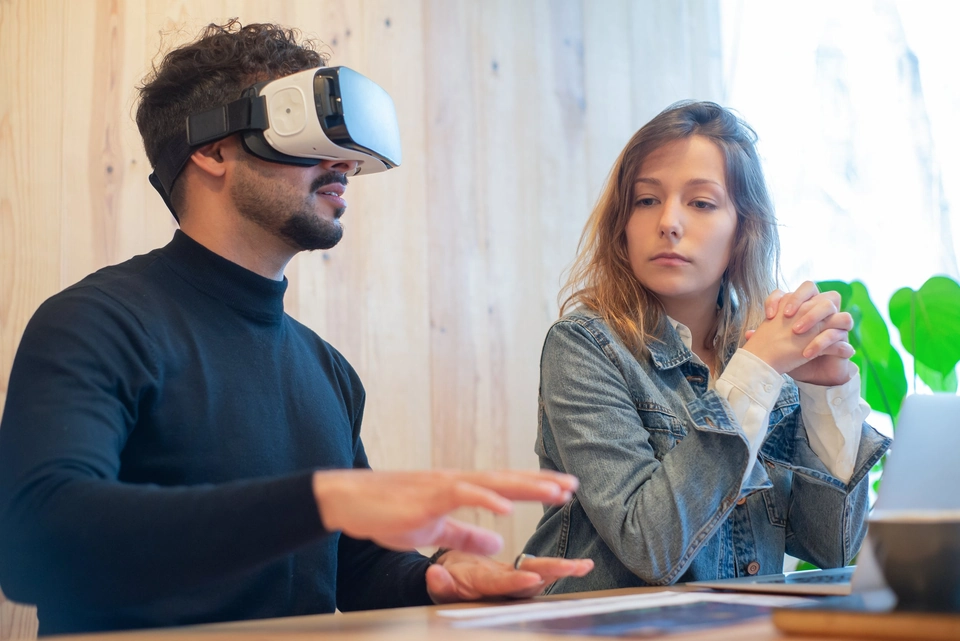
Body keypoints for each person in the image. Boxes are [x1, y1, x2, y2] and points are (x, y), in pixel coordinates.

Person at [0, 20, 592, 635]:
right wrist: (320, 498)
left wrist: (434, 578)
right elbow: (37, 543)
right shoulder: (98, 324)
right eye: (305, 128)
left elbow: (352, 565)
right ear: (213, 149)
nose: (343, 162)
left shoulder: (327, 369)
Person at [521, 100, 891, 593]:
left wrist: (824, 399)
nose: (669, 222)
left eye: (700, 202)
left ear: (743, 230)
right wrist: (756, 371)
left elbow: (833, 548)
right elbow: (650, 547)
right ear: (623, 225)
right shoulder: (585, 346)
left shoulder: (764, 355)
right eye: (646, 200)